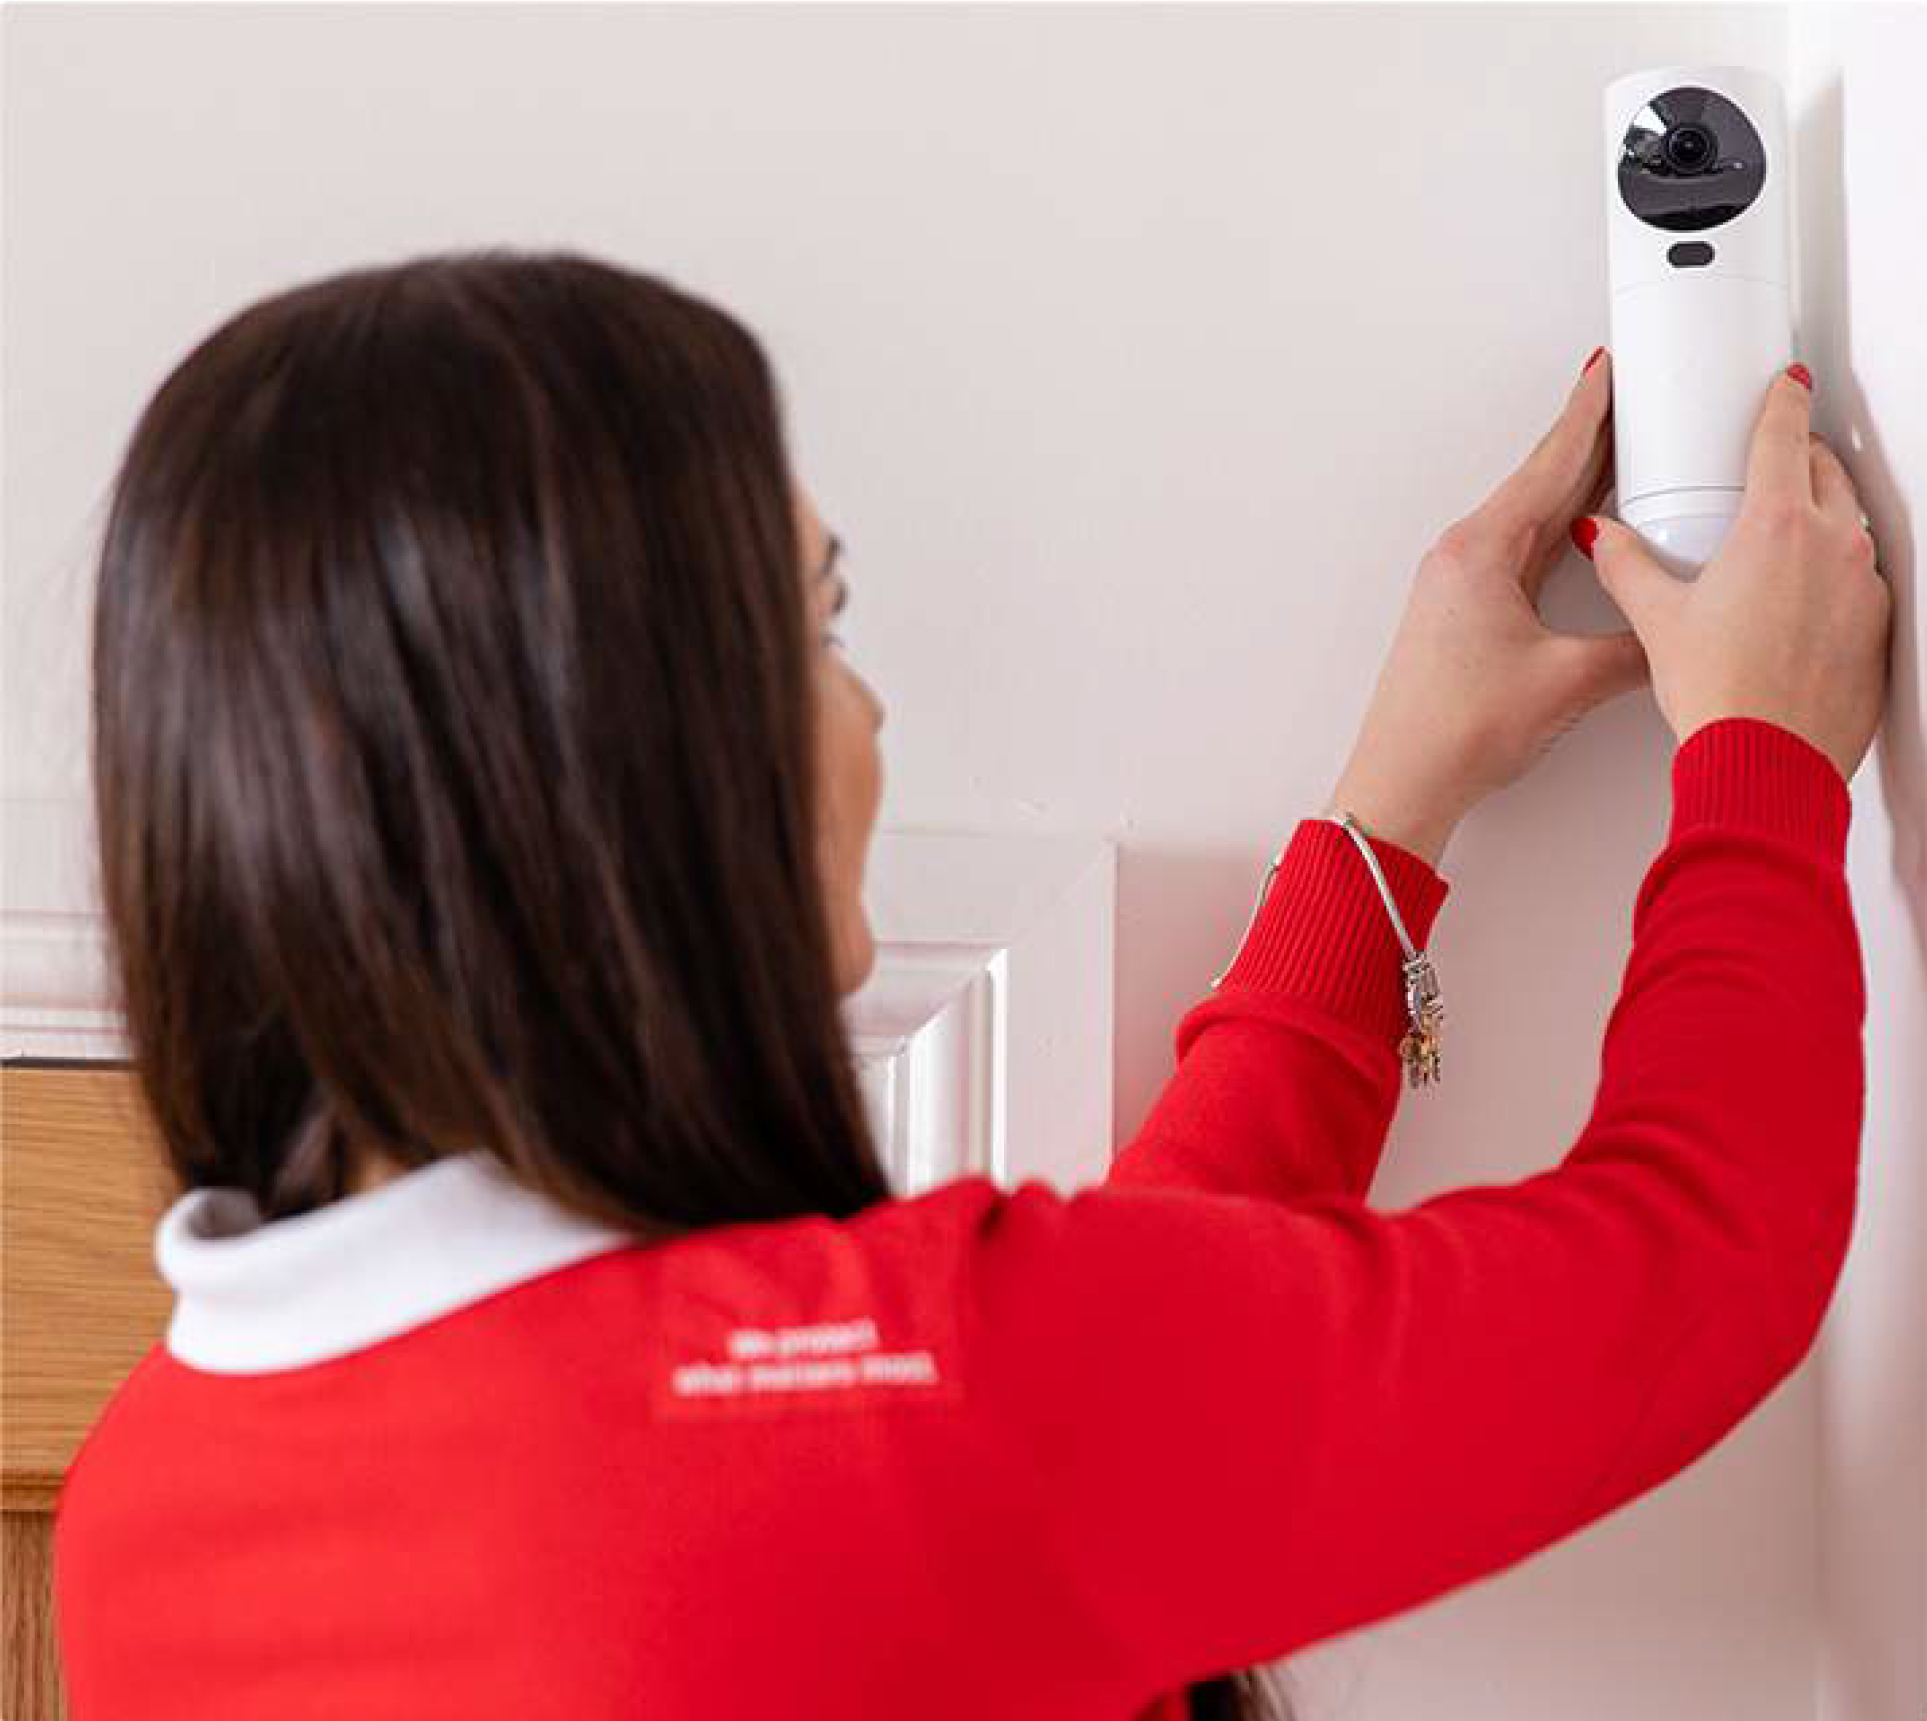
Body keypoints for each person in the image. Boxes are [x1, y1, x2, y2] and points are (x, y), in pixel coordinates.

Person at [53, 251, 1889, 1721]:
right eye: (820, 624)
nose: (863, 707)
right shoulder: (914, 1411)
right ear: (622, 764)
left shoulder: (147, 1501)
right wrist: (1762, 755)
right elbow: (1692, 1259)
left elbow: (1093, 1419)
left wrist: (1387, 818)